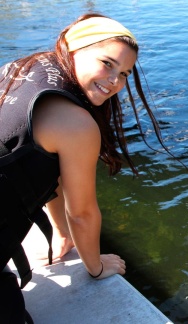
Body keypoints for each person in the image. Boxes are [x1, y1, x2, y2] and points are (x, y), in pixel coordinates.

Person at [0, 13, 171, 322]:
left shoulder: (24, 68)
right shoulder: (77, 124)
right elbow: (83, 213)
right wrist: (95, 266)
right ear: (73, 48)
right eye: (107, 63)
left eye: (124, 73)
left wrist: (62, 236)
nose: (115, 81)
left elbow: (43, 169)